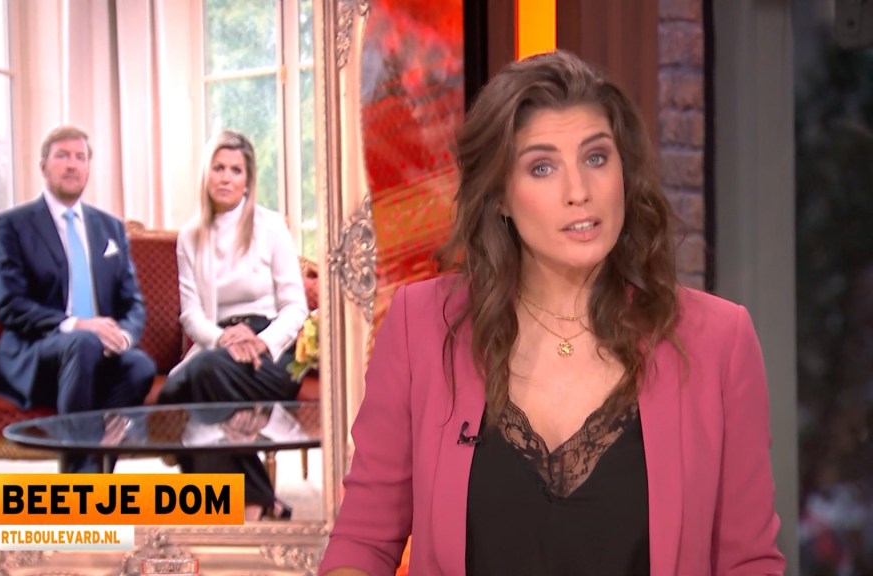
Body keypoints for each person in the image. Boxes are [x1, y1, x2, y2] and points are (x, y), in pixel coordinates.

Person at [319, 51, 785, 575]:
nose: (579, 192)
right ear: (500, 196)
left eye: (596, 158)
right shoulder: (421, 328)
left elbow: (748, 562)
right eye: (542, 167)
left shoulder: (717, 340)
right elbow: (363, 543)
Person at [157, 129, 308, 521]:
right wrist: (223, 338)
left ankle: (247, 504)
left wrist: (260, 341)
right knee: (175, 392)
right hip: (216, 344)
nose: (225, 177)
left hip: (272, 350)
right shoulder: (190, 236)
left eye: (235, 170)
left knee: (199, 380)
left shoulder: (270, 226)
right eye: (218, 168)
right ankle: (259, 496)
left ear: (247, 180)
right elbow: (191, 314)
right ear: (206, 175)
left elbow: (295, 307)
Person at [0, 125, 156, 473]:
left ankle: (97, 467)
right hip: (36, 353)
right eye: (62, 156)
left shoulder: (109, 227)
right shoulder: (13, 225)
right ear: (43, 166)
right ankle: (79, 476)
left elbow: (133, 303)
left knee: (139, 365)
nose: (72, 165)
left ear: (88, 168)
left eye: (80, 157)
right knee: (83, 343)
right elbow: (9, 304)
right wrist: (77, 325)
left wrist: (123, 337)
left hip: (95, 353)